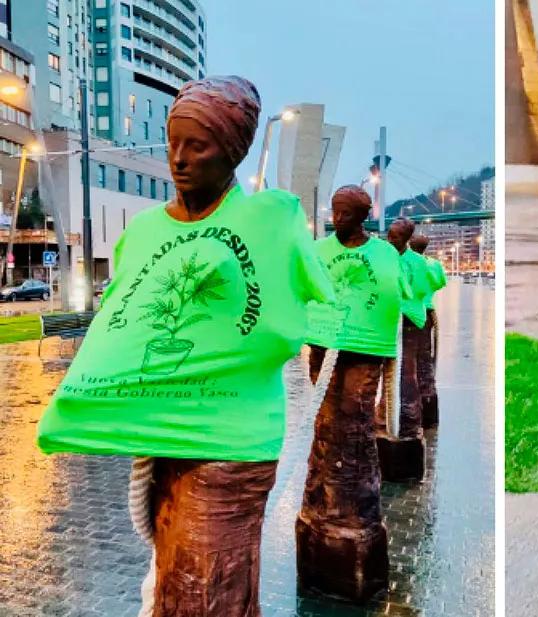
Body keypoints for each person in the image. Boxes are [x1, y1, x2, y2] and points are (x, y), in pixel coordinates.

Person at [36, 76, 335, 617]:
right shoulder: (144, 230)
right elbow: (121, 324)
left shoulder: (272, 219)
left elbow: (317, 302)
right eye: (173, 142)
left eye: (197, 146)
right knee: (178, 583)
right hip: (160, 436)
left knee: (205, 589)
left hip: (232, 442)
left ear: (234, 153)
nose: (178, 159)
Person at [297, 186, 412, 601]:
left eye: (345, 212)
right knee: (327, 419)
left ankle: (350, 506)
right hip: (324, 346)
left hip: (365, 350)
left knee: (356, 419)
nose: (337, 217)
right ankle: (323, 498)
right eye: (335, 211)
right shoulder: (317, 249)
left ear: (362, 215)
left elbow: (397, 291)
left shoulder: (383, 254)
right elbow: (300, 287)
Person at [376, 217, 434, 480]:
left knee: (406, 371)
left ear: (407, 238)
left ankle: (408, 422)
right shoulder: (384, 255)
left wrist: (405, 292)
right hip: (386, 320)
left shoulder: (418, 263)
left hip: (409, 320)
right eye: (390, 235)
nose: (391, 240)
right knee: (382, 373)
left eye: (396, 237)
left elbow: (421, 288)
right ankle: (383, 416)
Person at [409, 234, 447, 428]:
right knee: (425, 360)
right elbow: (441, 282)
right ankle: (429, 410)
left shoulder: (406, 262)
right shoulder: (433, 264)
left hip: (408, 314)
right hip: (428, 311)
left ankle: (410, 410)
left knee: (407, 363)